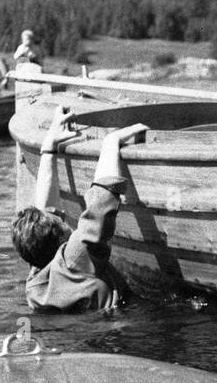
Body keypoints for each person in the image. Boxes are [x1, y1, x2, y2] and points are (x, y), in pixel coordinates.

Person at [12, 110, 149, 312]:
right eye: (62, 222)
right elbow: (101, 201)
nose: (63, 217)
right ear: (61, 241)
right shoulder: (76, 257)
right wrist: (111, 142)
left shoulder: (35, 284)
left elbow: (46, 213)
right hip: (119, 324)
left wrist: (48, 148)